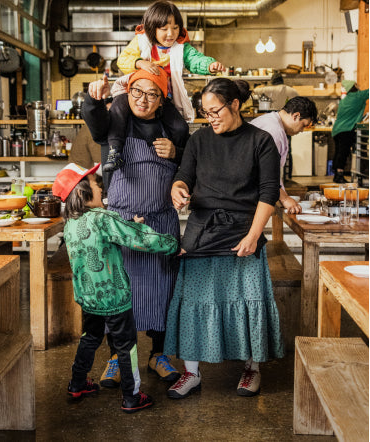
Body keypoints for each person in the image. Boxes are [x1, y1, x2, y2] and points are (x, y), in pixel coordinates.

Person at [163, 78, 284, 399]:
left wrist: (254, 235)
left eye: (216, 111)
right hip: (202, 231)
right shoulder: (199, 140)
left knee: (246, 301)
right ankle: (191, 373)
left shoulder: (261, 141)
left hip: (243, 232)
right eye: (206, 113)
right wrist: (178, 190)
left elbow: (269, 192)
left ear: (235, 105)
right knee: (194, 303)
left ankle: (250, 369)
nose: (210, 118)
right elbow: (183, 176)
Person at [82, 68, 189, 389]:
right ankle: (117, 356)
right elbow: (93, 118)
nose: (143, 99)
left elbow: (193, 162)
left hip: (161, 222)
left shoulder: (173, 128)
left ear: (162, 99)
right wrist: (92, 98)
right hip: (122, 224)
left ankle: (160, 354)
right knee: (119, 292)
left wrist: (177, 153)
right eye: (136, 92)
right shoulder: (113, 123)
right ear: (127, 93)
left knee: (163, 291)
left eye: (152, 93)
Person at [52, 162, 178, 413]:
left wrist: (128, 222)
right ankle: (132, 397)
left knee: (90, 338)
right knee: (126, 346)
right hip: (114, 298)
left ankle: (77, 384)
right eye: (97, 185)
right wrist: (172, 244)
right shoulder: (103, 217)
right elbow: (139, 238)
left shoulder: (71, 223)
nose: (102, 189)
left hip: (89, 298)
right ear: (81, 192)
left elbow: (101, 239)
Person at [103, 0, 224, 172]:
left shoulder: (181, 47)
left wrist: (209, 65)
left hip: (162, 97)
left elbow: (195, 59)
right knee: (117, 111)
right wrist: (139, 63)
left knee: (180, 128)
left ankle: (178, 162)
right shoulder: (141, 41)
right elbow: (123, 60)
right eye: (164, 28)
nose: (171, 34)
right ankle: (115, 151)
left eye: (175, 28)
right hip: (135, 93)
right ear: (152, 28)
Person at [250, 96, 318, 214]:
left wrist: (283, 195)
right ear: (296, 116)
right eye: (303, 125)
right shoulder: (274, 131)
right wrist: (285, 198)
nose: (302, 130)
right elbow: (264, 172)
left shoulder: (271, 120)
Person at [332, 80, 369, 183]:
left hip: (337, 130)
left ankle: (336, 175)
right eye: (357, 84)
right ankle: (339, 176)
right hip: (346, 129)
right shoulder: (358, 96)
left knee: (338, 152)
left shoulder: (345, 99)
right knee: (343, 152)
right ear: (354, 86)